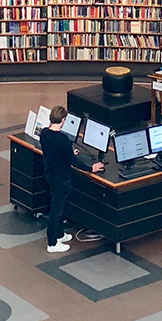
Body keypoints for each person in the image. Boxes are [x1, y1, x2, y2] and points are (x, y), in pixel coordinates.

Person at [39, 105, 100, 254]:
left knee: (58, 206)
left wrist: (68, 152)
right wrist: (91, 168)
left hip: (50, 175)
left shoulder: (44, 134)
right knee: (56, 210)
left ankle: (59, 234)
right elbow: (74, 162)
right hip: (62, 178)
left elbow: (56, 152)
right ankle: (52, 243)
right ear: (64, 120)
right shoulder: (62, 139)